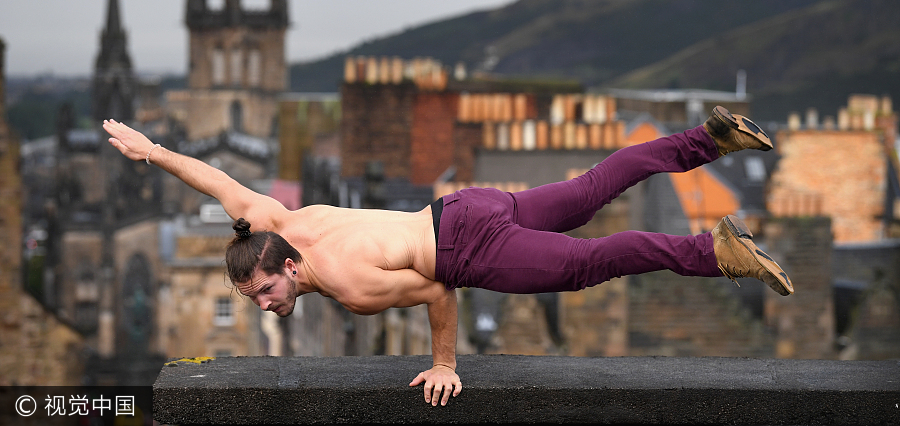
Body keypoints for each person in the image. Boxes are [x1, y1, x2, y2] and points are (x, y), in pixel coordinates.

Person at [102, 106, 792, 407]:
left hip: (468, 247)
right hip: (462, 206)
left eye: (263, 292)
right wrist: (153, 151)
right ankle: (709, 139)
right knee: (589, 192)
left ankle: (713, 252)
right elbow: (219, 182)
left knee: (589, 263)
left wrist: (444, 364)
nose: (264, 304)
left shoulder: (348, 286)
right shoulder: (279, 225)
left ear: (286, 268)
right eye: (255, 299)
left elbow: (437, 292)